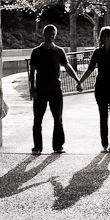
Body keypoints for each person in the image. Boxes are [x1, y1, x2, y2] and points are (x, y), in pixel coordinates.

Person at [28, 24, 81, 154]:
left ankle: (58, 146)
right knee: (37, 119)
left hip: (55, 90)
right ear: (44, 35)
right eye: (49, 34)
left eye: (53, 35)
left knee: (58, 119)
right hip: (40, 90)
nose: (51, 37)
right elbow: (32, 72)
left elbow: (67, 67)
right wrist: (32, 89)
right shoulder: (36, 52)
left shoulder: (59, 51)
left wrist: (78, 81)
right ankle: (37, 147)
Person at [77, 26, 110, 152]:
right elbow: (90, 69)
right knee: (103, 117)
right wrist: (80, 81)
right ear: (101, 38)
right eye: (104, 36)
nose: (106, 38)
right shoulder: (97, 53)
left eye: (108, 36)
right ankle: (104, 144)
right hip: (101, 88)